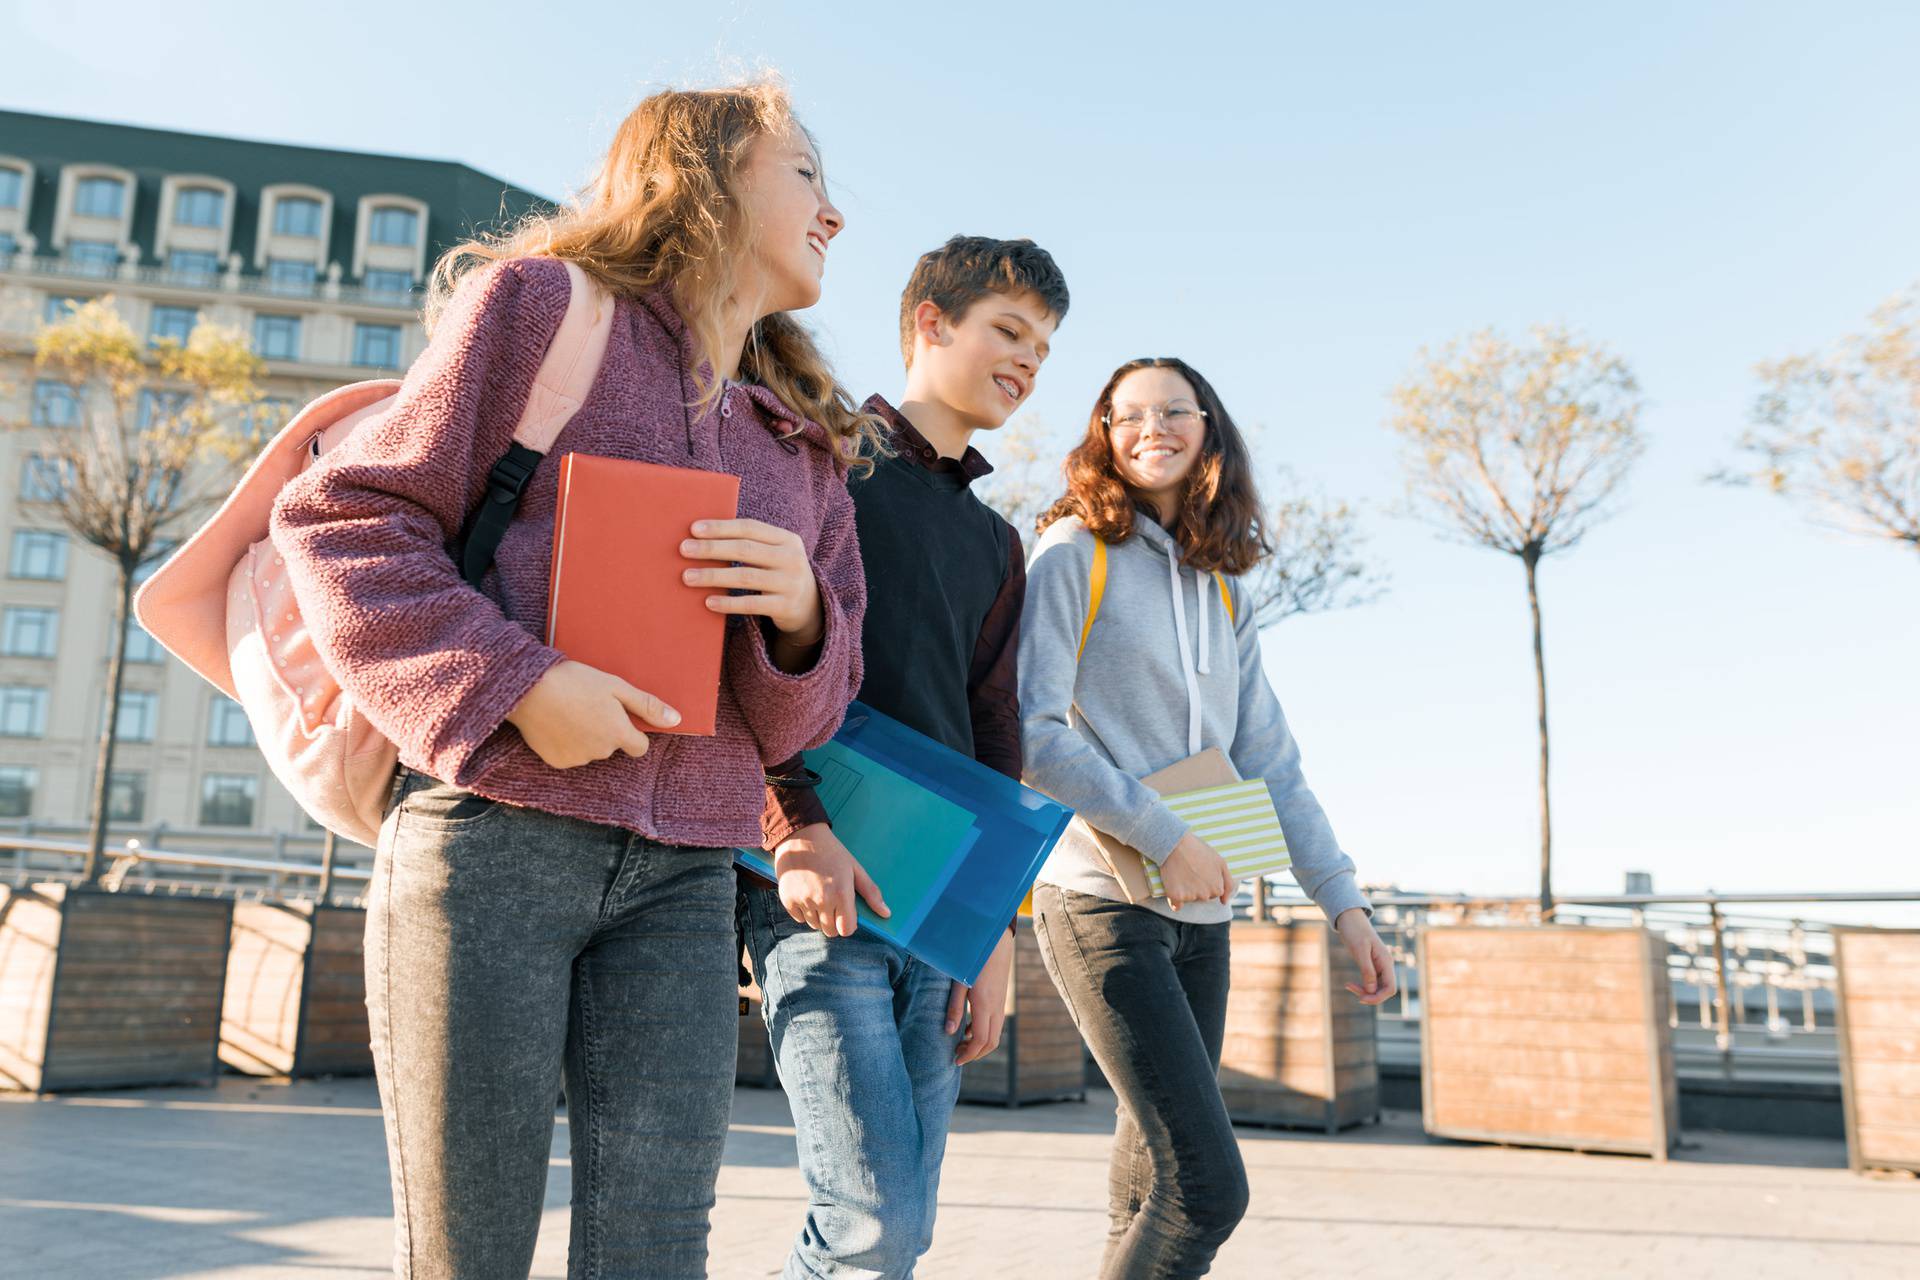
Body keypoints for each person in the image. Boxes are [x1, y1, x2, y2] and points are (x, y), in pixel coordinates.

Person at [269, 82, 881, 1280]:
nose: (835, 212)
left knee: (656, 1257)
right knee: (469, 1251)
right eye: (804, 171)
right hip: (489, 842)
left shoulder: (803, 443)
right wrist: (516, 681)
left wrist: (803, 616)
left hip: (688, 884)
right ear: (703, 175)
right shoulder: (542, 310)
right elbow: (342, 518)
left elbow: (800, 717)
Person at [1018, 357, 1397, 1279]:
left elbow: (1269, 760)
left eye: (1173, 411)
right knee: (1208, 1188)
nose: (1153, 428)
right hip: (1100, 901)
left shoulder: (1225, 586)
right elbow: (1029, 734)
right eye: (1129, 414)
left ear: (1208, 428)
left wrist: (1343, 903)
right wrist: (1169, 835)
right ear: (1105, 431)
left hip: (1203, 915)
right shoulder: (1075, 553)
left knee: (1147, 1184)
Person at [748, 235, 1069, 1278]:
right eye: (1009, 330)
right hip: (817, 886)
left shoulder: (996, 543)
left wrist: (994, 931)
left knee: (903, 1229)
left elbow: (994, 737)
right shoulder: (822, 459)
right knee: (868, 1218)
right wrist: (796, 828)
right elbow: (741, 654)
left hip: (935, 917)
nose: (1027, 361)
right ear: (930, 322)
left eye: (1045, 347)